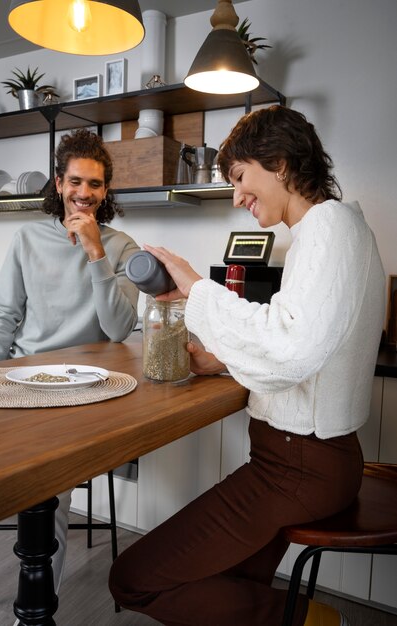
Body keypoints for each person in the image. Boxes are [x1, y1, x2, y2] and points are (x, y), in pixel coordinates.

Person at [108, 106, 385, 626]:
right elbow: (305, 341)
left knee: (132, 579)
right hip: (317, 461)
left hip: (296, 467)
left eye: (239, 177)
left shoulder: (326, 228)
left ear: (278, 163)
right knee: (226, 580)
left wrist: (194, 285)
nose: (236, 196)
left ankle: (313, 621)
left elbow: (292, 348)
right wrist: (226, 360)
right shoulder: (341, 229)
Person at [0, 128, 140, 611]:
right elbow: (4, 316)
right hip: (20, 384)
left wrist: (95, 252)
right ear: (58, 182)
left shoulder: (122, 246)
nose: (84, 193)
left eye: (94, 184)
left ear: (106, 190)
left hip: (87, 392)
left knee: (49, 495)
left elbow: (118, 330)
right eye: (76, 182)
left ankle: (36, 612)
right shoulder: (27, 237)